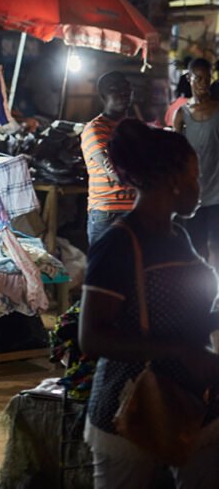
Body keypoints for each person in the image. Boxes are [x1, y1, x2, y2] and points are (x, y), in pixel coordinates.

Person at [79, 120, 219, 487]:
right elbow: (91, 338)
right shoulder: (120, 244)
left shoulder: (178, 236)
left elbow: (190, 314)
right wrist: (179, 351)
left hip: (191, 403)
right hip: (131, 407)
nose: (198, 186)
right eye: (194, 176)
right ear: (172, 180)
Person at [80, 72, 136, 246]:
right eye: (115, 90)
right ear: (103, 96)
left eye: (126, 89)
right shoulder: (95, 129)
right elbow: (114, 171)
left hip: (134, 211)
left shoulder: (134, 128)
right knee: (105, 271)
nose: (123, 94)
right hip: (107, 213)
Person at [175, 58, 219, 268]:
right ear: (189, 78)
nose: (203, 83)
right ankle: (201, 295)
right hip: (193, 192)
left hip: (217, 191)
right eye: (198, 78)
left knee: (216, 244)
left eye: (207, 79)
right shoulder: (182, 115)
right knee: (197, 245)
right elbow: (174, 153)